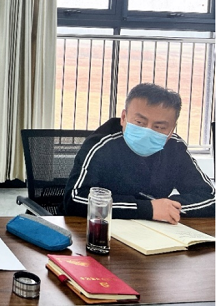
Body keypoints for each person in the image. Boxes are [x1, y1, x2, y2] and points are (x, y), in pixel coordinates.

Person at [64, 83, 215, 224]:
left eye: (159, 127)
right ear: (124, 118)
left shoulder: (175, 147)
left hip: (153, 231)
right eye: (140, 122)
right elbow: (74, 200)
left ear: (171, 130)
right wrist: (148, 209)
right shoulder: (100, 145)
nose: (147, 131)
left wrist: (168, 208)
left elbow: (210, 198)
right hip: (98, 230)